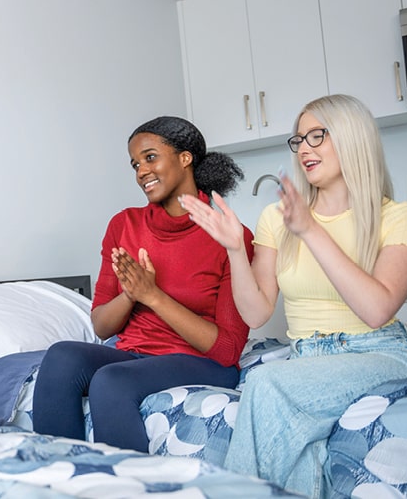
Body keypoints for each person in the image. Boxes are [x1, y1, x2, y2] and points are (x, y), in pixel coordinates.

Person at [184, 94, 407, 497]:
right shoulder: (277, 219)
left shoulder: (396, 216)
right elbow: (256, 313)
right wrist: (236, 250)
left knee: (266, 384)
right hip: (308, 361)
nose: (304, 147)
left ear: (352, 137)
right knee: (302, 452)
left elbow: (377, 309)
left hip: (378, 353)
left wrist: (311, 230)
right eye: (299, 139)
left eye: (317, 136)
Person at [30, 116, 252, 452]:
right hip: (135, 355)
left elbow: (228, 350)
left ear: (185, 158)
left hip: (204, 362)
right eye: (135, 164)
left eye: (150, 157)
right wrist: (131, 295)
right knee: (61, 356)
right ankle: (63, 474)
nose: (141, 171)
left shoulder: (231, 235)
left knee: (110, 382)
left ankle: (131, 485)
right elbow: (102, 326)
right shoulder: (124, 225)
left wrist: (154, 295)